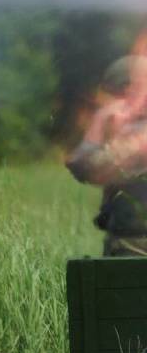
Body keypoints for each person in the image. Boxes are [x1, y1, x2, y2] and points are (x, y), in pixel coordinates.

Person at [66, 55, 147, 257]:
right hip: (127, 240)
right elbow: (80, 165)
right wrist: (101, 124)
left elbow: (89, 165)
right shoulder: (124, 128)